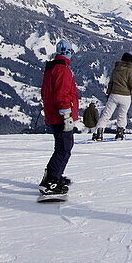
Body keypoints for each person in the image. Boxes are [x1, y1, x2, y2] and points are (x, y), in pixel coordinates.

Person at [39, 39, 79, 197]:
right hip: (60, 116)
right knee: (65, 148)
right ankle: (51, 182)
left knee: (61, 147)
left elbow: (46, 93)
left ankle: (53, 175)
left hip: (52, 115)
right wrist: (67, 115)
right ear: (68, 53)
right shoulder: (63, 70)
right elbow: (62, 95)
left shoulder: (51, 69)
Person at [93, 52, 132, 141]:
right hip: (125, 96)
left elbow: (111, 83)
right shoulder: (130, 71)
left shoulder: (116, 69)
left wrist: (108, 93)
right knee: (122, 115)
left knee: (106, 114)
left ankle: (98, 133)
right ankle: (120, 133)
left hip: (114, 95)